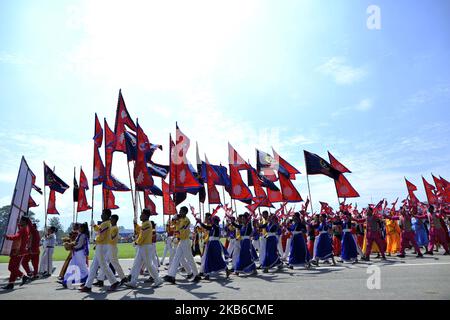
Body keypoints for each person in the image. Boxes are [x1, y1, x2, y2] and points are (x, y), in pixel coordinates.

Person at [79, 209, 120, 292]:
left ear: (106, 215)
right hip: (102, 245)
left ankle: (114, 282)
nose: (101, 215)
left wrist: (95, 240)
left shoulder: (105, 223)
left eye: (103, 214)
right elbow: (100, 230)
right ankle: (88, 285)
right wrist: (94, 225)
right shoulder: (106, 223)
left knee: (103, 265)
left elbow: (101, 235)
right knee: (94, 266)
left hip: (102, 246)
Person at [125, 209, 163, 288]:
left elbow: (142, 236)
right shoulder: (145, 224)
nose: (140, 216)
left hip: (145, 246)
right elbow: (140, 230)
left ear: (146, 215)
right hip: (143, 246)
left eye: (142, 214)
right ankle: (133, 281)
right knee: (136, 264)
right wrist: (135, 224)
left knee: (149, 264)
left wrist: (136, 242)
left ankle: (157, 279)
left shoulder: (146, 224)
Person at [163, 207, 201, 284]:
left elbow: (181, 229)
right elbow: (174, 226)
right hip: (181, 241)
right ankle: (171, 276)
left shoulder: (186, 220)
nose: (179, 212)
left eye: (181, 211)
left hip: (185, 241)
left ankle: (196, 275)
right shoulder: (180, 220)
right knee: (176, 258)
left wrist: (176, 233)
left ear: (184, 212)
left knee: (189, 258)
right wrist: (173, 220)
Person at [94, 214, 127, 287]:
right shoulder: (112, 227)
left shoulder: (115, 228)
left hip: (112, 247)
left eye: (111, 219)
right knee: (104, 263)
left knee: (114, 263)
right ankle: (100, 279)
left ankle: (123, 278)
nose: (110, 220)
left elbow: (111, 238)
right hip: (109, 247)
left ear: (114, 220)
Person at [196, 215, 231, 280]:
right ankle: (207, 274)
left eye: (213, 220)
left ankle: (226, 270)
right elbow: (206, 226)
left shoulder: (216, 227)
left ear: (216, 221)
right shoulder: (212, 227)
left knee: (218, 258)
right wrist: (200, 222)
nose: (212, 221)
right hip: (211, 243)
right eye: (213, 220)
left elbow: (211, 226)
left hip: (215, 244)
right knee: (209, 258)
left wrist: (208, 221)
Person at [2, 216, 31, 290]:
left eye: (21, 220)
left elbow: (17, 236)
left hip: (17, 251)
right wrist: (18, 223)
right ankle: (11, 284)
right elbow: (20, 233)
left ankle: (24, 276)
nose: (20, 222)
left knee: (11, 268)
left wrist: (8, 237)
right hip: (20, 251)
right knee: (14, 268)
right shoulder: (25, 228)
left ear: (24, 222)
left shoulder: (23, 229)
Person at [61, 222, 90, 287]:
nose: (78, 228)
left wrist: (71, 246)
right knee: (71, 266)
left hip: (80, 253)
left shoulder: (83, 235)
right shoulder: (80, 234)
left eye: (80, 227)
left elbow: (79, 245)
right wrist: (70, 244)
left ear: (83, 229)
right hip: (76, 253)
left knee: (82, 268)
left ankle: (87, 278)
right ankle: (66, 280)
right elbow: (75, 242)